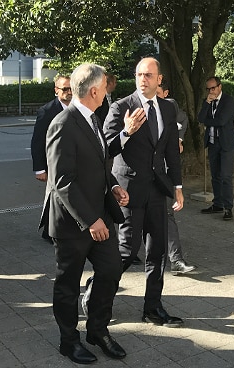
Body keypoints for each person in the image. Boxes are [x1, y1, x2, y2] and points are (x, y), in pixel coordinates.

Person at [40, 63, 129, 364]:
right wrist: (91, 220)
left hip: (100, 215)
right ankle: (69, 341)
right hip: (73, 223)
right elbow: (62, 180)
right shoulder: (63, 123)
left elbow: (99, 164)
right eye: (105, 87)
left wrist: (114, 186)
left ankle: (98, 331)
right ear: (94, 91)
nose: (108, 92)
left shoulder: (94, 118)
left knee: (111, 270)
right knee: (68, 284)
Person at [104, 57, 185, 327]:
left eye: (149, 75)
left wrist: (177, 186)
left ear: (159, 79)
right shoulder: (121, 106)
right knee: (127, 252)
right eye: (139, 74)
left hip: (157, 190)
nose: (143, 79)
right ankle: (97, 294)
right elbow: (105, 148)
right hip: (128, 191)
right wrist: (126, 131)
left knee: (157, 251)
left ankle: (152, 308)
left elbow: (171, 151)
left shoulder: (167, 109)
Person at [155, 81, 196, 275]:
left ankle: (176, 259)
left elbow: (182, 121)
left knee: (167, 215)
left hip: (162, 176)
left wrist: (178, 140)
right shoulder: (131, 108)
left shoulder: (170, 107)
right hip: (139, 178)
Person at [30, 74, 71, 243]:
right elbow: (37, 141)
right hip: (52, 164)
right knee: (54, 197)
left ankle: (62, 228)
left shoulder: (78, 107)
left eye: (71, 88)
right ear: (56, 90)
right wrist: (39, 169)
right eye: (65, 89)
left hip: (71, 162)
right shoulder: (47, 111)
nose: (69, 92)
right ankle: (48, 231)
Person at [197, 76, 234, 221]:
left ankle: (228, 208)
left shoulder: (228, 101)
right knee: (215, 176)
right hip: (213, 143)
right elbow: (200, 118)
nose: (211, 91)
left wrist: (208, 122)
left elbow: (221, 121)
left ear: (219, 87)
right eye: (208, 89)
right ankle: (218, 203)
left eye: (213, 88)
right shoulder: (208, 102)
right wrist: (207, 103)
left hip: (226, 143)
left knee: (226, 176)